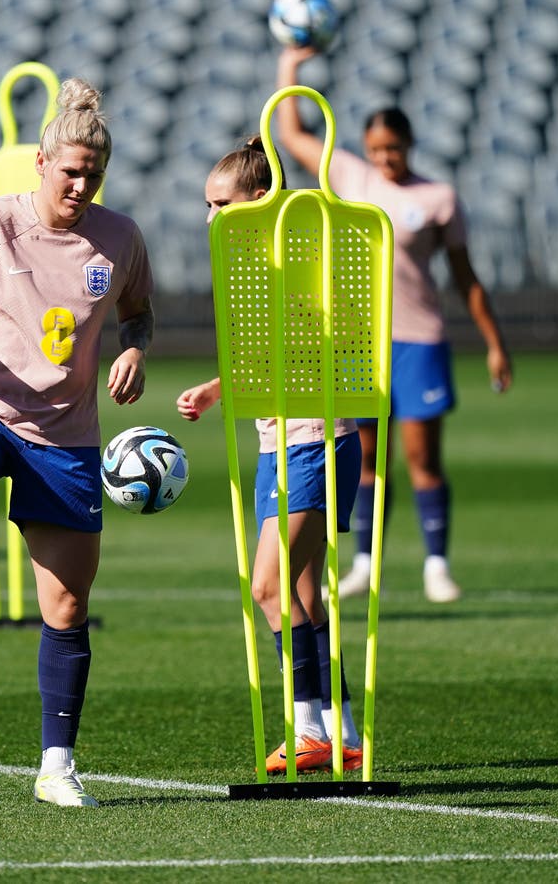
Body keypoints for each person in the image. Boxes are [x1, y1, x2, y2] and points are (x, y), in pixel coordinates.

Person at [0, 78, 155, 808]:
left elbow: (138, 315)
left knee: (67, 609)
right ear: (42, 163)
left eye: (93, 175)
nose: (80, 184)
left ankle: (56, 766)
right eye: (70, 170)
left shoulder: (120, 238)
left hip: (66, 436)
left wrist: (134, 350)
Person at [275, 45, 514, 604]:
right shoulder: (351, 175)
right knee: (365, 458)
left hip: (419, 339)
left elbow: (465, 277)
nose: (385, 158)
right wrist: (290, 67)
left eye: (394, 148)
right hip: (359, 341)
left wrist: (494, 345)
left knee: (422, 458)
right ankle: (366, 561)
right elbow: (293, 136)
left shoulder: (438, 198)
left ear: (409, 145)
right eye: (377, 149)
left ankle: (436, 563)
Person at [176, 138, 364, 774]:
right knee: (304, 595)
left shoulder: (290, 261)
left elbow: (306, 342)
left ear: (261, 201)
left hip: (310, 442)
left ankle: (309, 726)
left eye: (221, 204)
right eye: (206, 206)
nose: (211, 219)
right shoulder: (259, 265)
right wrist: (215, 386)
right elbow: (266, 352)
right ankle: (342, 727)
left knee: (268, 587)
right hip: (284, 444)